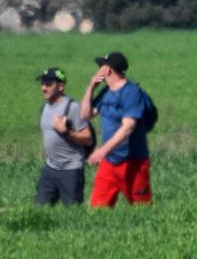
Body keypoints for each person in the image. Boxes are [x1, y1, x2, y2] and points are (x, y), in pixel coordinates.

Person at [80, 52, 152, 208]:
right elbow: (85, 115)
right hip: (109, 163)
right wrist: (91, 86)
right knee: (98, 211)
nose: (98, 69)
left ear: (108, 69)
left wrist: (102, 151)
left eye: (101, 66)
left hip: (133, 162)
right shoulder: (106, 92)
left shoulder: (131, 92)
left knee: (142, 210)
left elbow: (128, 127)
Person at [35, 67, 93, 206]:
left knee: (73, 214)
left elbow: (88, 138)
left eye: (48, 84)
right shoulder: (45, 107)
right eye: (42, 84)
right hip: (50, 168)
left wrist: (66, 132)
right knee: (39, 211)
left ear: (61, 86)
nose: (43, 88)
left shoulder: (72, 107)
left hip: (70, 170)